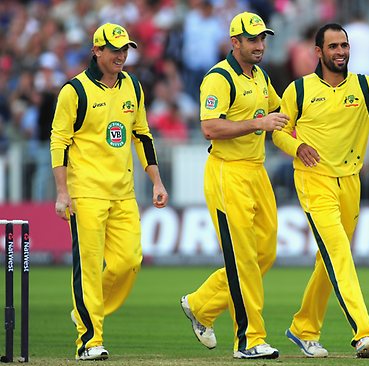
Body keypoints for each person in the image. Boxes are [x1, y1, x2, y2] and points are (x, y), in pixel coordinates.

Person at [272, 23, 369, 358]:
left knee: (329, 261)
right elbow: (279, 130)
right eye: (334, 46)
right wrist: (298, 147)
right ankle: (363, 332)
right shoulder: (299, 90)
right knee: (339, 254)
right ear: (318, 52)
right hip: (314, 179)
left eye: (345, 46)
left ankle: (303, 327)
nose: (341, 52)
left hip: (351, 182)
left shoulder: (364, 86)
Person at [50, 23, 169, 361]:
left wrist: (156, 181)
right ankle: (89, 339)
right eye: (114, 49)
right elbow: (59, 141)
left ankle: (86, 311)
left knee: (129, 262)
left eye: (125, 49)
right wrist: (62, 193)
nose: (121, 55)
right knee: (89, 267)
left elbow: (142, 135)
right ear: (96, 51)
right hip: (85, 192)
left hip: (123, 191)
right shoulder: (75, 91)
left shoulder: (133, 85)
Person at [179, 12, 287, 359]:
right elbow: (210, 128)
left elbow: (280, 114)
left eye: (263, 39)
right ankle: (249, 340)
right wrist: (259, 122)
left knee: (264, 254)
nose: (260, 45)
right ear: (234, 42)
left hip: (256, 170)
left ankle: (201, 304)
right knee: (243, 260)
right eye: (252, 40)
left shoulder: (260, 76)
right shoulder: (219, 78)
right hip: (227, 172)